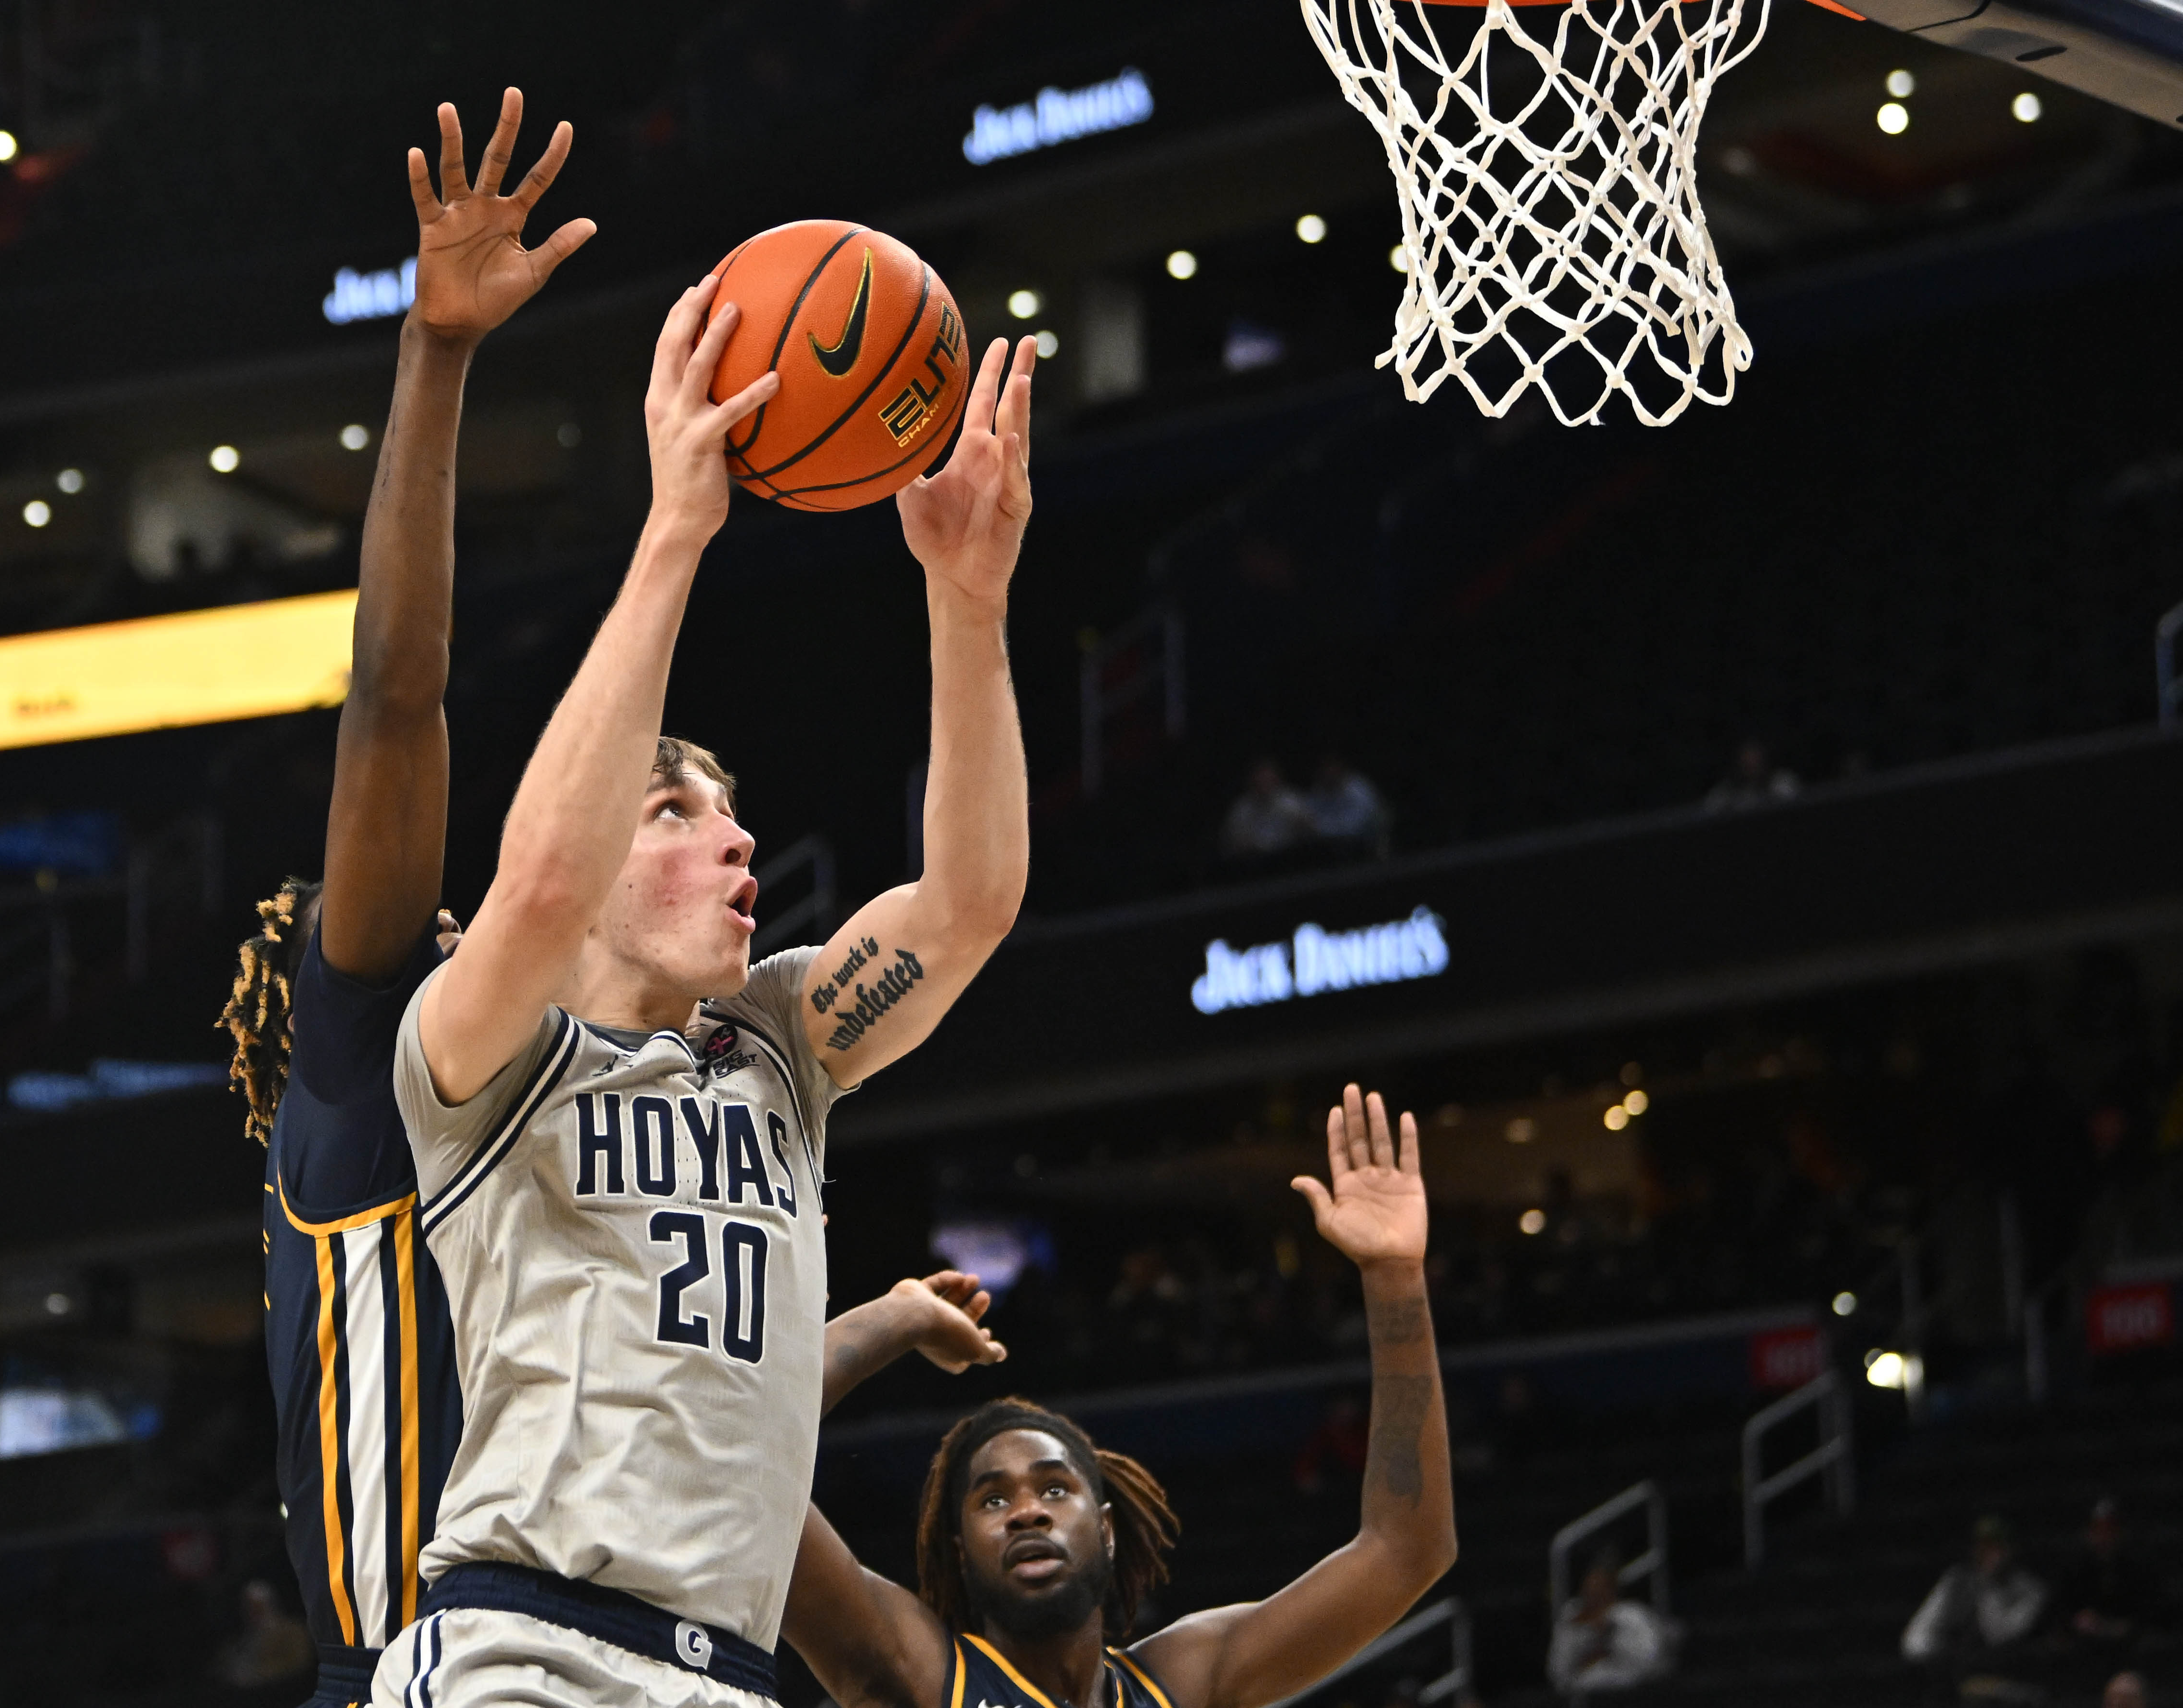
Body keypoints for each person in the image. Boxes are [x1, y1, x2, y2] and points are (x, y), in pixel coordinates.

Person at [376, 266, 1038, 1701]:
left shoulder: (777, 1048)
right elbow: (540, 882)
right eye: (674, 810)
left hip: (730, 1673)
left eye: (729, 808)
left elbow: (969, 900)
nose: (734, 834)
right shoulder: (483, 1052)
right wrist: (678, 522)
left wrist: (966, 602)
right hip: (523, 1651)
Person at [214, 90, 594, 1708]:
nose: (453, 933)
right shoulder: (357, 1097)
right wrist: (434, 358)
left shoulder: (513, 1149)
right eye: (426, 928)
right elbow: (396, 695)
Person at [785, 1085, 1456, 1708]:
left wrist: (1394, 1278)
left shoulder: (1182, 1681)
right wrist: (888, 1322)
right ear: (960, 1552)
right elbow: (738, 1469)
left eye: (1054, 1489)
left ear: (1105, 1529)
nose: (1026, 1513)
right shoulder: (919, 1672)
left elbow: (1404, 1552)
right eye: (993, 1499)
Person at [1902, 1515, 2048, 1668]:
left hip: (2012, 1670)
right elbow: (1915, 1641)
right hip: (1958, 1671)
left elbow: (1999, 1638)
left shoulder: (2032, 1590)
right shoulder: (1957, 1581)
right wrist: (1950, 1654)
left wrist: (1990, 1584)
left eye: (1995, 1546)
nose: (1987, 1554)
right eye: (1982, 1546)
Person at [1546, 1549, 1674, 1696]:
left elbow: (1650, 1662)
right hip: (1583, 1694)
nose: (1593, 1596)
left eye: (1599, 1590)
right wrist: (1585, 1648)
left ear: (1612, 1590)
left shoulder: (1632, 1615)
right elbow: (1557, 1670)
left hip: (1627, 1693)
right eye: (1589, 1591)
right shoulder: (1573, 1616)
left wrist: (1610, 1640)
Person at [2056, 1498, 2167, 1652]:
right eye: (2098, 1530)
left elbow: (2155, 1612)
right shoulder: (2074, 1569)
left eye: (2110, 1530)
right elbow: (2061, 1610)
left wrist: (2124, 1626)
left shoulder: (2139, 1569)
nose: (2104, 1537)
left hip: (2132, 1647)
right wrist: (2078, 1621)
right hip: (2084, 1649)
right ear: (2087, 1533)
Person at [1220, 757, 1314, 858]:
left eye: (1268, 779)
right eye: (1260, 778)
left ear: (1277, 779)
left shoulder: (1291, 801)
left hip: (1291, 858)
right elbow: (1233, 844)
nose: (1264, 783)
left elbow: (1311, 831)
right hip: (1255, 863)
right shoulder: (1242, 809)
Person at [1303, 753, 1390, 857]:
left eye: (1330, 768)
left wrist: (1318, 828)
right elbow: (1309, 816)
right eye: (1323, 770)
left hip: (1365, 845)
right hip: (1332, 846)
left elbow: (1352, 829)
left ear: (1340, 768)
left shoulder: (1358, 791)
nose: (1327, 773)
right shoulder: (1320, 791)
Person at [1702, 738, 1798, 811]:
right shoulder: (1726, 793)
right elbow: (1709, 811)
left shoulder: (1781, 781)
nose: (1751, 764)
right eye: (1746, 760)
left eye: (1755, 759)